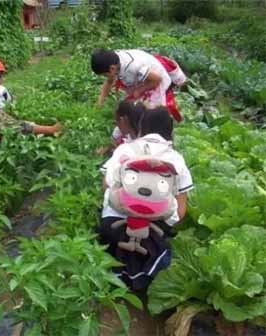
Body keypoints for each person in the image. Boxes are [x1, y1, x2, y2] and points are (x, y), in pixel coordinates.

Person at [97, 106, 193, 290]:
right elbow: (180, 211)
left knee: (111, 237)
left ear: (142, 127)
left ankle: (114, 273)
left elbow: (106, 185)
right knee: (154, 245)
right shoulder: (176, 159)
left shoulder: (125, 149)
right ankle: (142, 277)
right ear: (170, 131)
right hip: (154, 231)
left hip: (113, 224)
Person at [91, 48, 186, 122]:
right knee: (132, 105)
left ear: (111, 68)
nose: (105, 77)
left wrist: (140, 90)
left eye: (104, 74)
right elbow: (109, 81)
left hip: (156, 80)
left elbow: (157, 79)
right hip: (144, 78)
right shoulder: (112, 60)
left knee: (151, 113)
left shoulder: (133, 67)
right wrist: (99, 103)